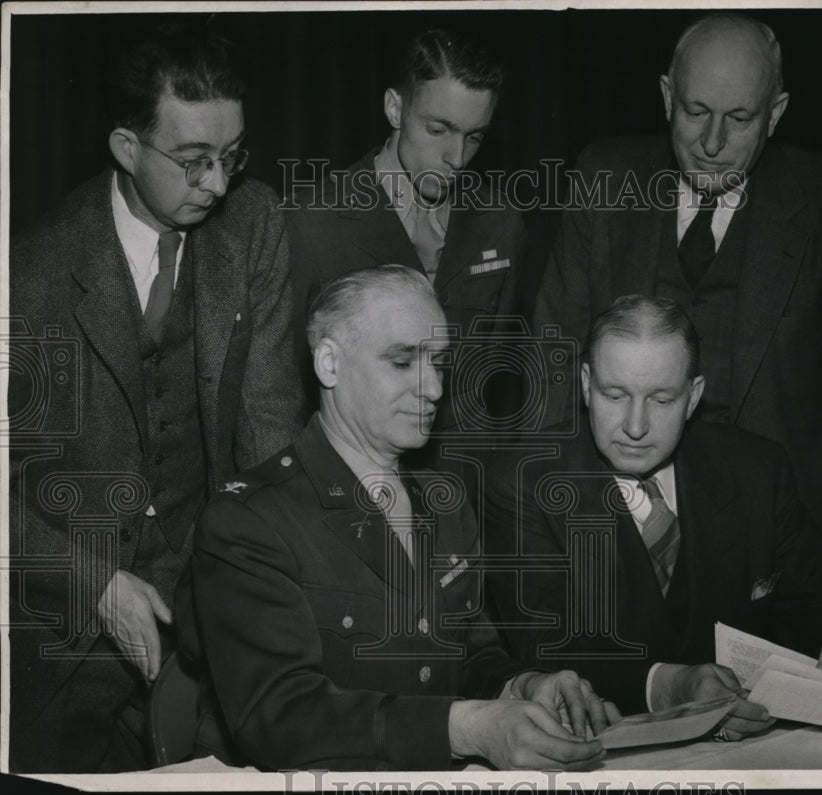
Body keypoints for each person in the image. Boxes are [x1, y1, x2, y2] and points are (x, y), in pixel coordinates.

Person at [180, 265, 624, 771]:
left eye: (438, 362)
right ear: (329, 363)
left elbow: (470, 656)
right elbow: (280, 719)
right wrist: (466, 728)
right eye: (402, 362)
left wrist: (524, 685)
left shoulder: (447, 500)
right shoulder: (248, 522)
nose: (433, 388)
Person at [7, 24, 304, 773]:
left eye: (231, 155)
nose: (217, 183)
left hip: (210, 634)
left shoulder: (255, 225)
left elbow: (269, 435)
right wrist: (94, 581)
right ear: (125, 147)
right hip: (61, 641)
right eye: (194, 160)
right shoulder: (30, 271)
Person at [533, 12, 822, 590]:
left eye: (739, 119)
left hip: (784, 550)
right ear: (666, 97)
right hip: (618, 542)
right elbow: (552, 369)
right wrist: (552, 548)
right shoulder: (602, 180)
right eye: (695, 112)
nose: (711, 144)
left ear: (775, 114)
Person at [486, 295, 822, 722]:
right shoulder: (523, 481)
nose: (635, 426)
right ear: (584, 384)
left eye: (662, 400)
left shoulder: (756, 469)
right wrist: (667, 684)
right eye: (614, 395)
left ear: (693, 397)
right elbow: (546, 647)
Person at [284, 29, 527, 442]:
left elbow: (488, 391)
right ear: (395, 109)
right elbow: (283, 390)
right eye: (438, 130)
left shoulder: (501, 224)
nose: (456, 158)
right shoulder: (311, 222)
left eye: (475, 137)